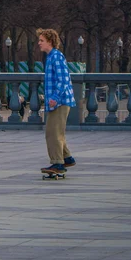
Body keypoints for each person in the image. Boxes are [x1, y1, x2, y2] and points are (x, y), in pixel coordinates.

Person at [37, 28, 77, 175]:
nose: (39, 43)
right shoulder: (51, 57)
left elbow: (63, 80)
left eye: (41, 40)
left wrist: (55, 98)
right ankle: (67, 158)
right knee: (56, 131)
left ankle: (57, 164)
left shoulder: (56, 57)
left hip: (60, 102)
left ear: (50, 41)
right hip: (58, 101)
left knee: (52, 132)